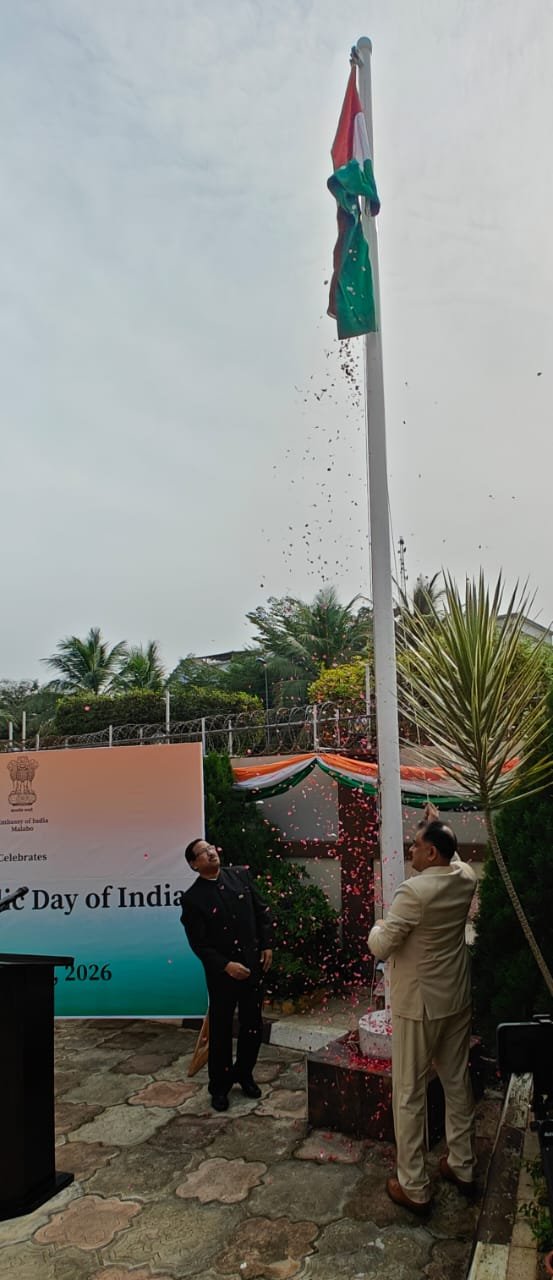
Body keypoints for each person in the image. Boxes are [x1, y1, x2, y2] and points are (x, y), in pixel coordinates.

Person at [368, 803, 477, 1214]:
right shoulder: (464, 876)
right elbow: (458, 858)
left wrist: (377, 926)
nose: (410, 850)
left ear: (432, 853)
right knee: (456, 1083)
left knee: (409, 1093)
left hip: (418, 1006)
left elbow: (382, 946)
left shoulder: (413, 891)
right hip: (456, 998)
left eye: (416, 845)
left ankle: (414, 1185)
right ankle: (463, 1165)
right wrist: (434, 823)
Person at [180, 838, 274, 1111]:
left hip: (252, 967)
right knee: (221, 1030)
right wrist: (225, 965)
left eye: (211, 848)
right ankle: (219, 1086)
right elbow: (199, 944)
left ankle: (245, 1074)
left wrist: (267, 944)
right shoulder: (192, 898)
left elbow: (262, 911)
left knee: (252, 1025)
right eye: (203, 853)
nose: (210, 853)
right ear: (194, 864)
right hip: (223, 976)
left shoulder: (240, 876)